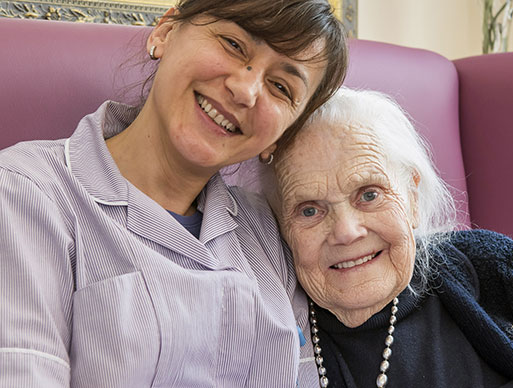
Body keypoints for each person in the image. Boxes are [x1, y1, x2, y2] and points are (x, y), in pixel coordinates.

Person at [0, 1, 348, 386]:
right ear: (165, 33)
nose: (245, 90)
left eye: (281, 87)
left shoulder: (268, 233)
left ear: (282, 135)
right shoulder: (25, 192)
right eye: (233, 44)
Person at [264, 87, 513, 388]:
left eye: (369, 194)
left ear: (412, 198)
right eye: (309, 211)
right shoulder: (271, 331)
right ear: (281, 226)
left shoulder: (482, 263)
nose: (346, 231)